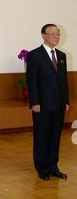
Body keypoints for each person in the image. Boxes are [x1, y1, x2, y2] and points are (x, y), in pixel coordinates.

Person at [26, 24, 69, 181]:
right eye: (52, 34)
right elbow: (32, 82)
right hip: (42, 105)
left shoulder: (62, 55)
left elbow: (64, 81)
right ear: (43, 36)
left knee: (55, 136)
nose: (56, 37)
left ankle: (53, 166)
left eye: (58, 34)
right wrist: (35, 102)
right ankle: (42, 168)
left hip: (59, 105)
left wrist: (66, 101)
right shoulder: (34, 55)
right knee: (42, 136)